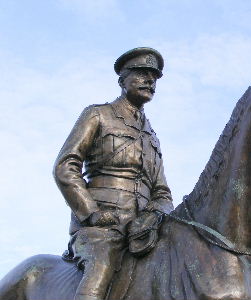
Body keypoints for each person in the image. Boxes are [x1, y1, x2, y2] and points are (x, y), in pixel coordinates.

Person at [53, 47, 174, 300]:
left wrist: (154, 215)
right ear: (122, 80)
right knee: (102, 265)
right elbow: (66, 166)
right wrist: (92, 214)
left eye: (153, 76)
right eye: (141, 73)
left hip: (142, 230)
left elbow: (162, 192)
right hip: (101, 229)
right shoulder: (97, 114)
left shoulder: (152, 137)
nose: (150, 80)